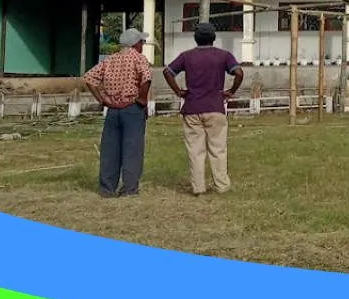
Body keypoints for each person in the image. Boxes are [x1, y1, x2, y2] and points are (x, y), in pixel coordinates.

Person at [162, 22, 244, 196]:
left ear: (195, 38)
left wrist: (178, 91)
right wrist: (231, 91)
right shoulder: (223, 55)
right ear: (214, 38)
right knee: (218, 148)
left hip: (192, 107)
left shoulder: (186, 56)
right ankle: (222, 185)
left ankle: (198, 188)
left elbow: (167, 72)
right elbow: (239, 73)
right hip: (215, 107)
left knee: (195, 150)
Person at [84, 29, 153, 198]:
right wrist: (142, 99)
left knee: (110, 149)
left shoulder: (110, 59)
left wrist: (102, 100)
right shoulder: (138, 58)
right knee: (132, 148)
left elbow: (89, 79)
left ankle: (107, 188)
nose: (142, 45)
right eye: (141, 42)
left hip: (113, 110)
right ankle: (129, 188)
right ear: (136, 44)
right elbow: (146, 78)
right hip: (132, 108)